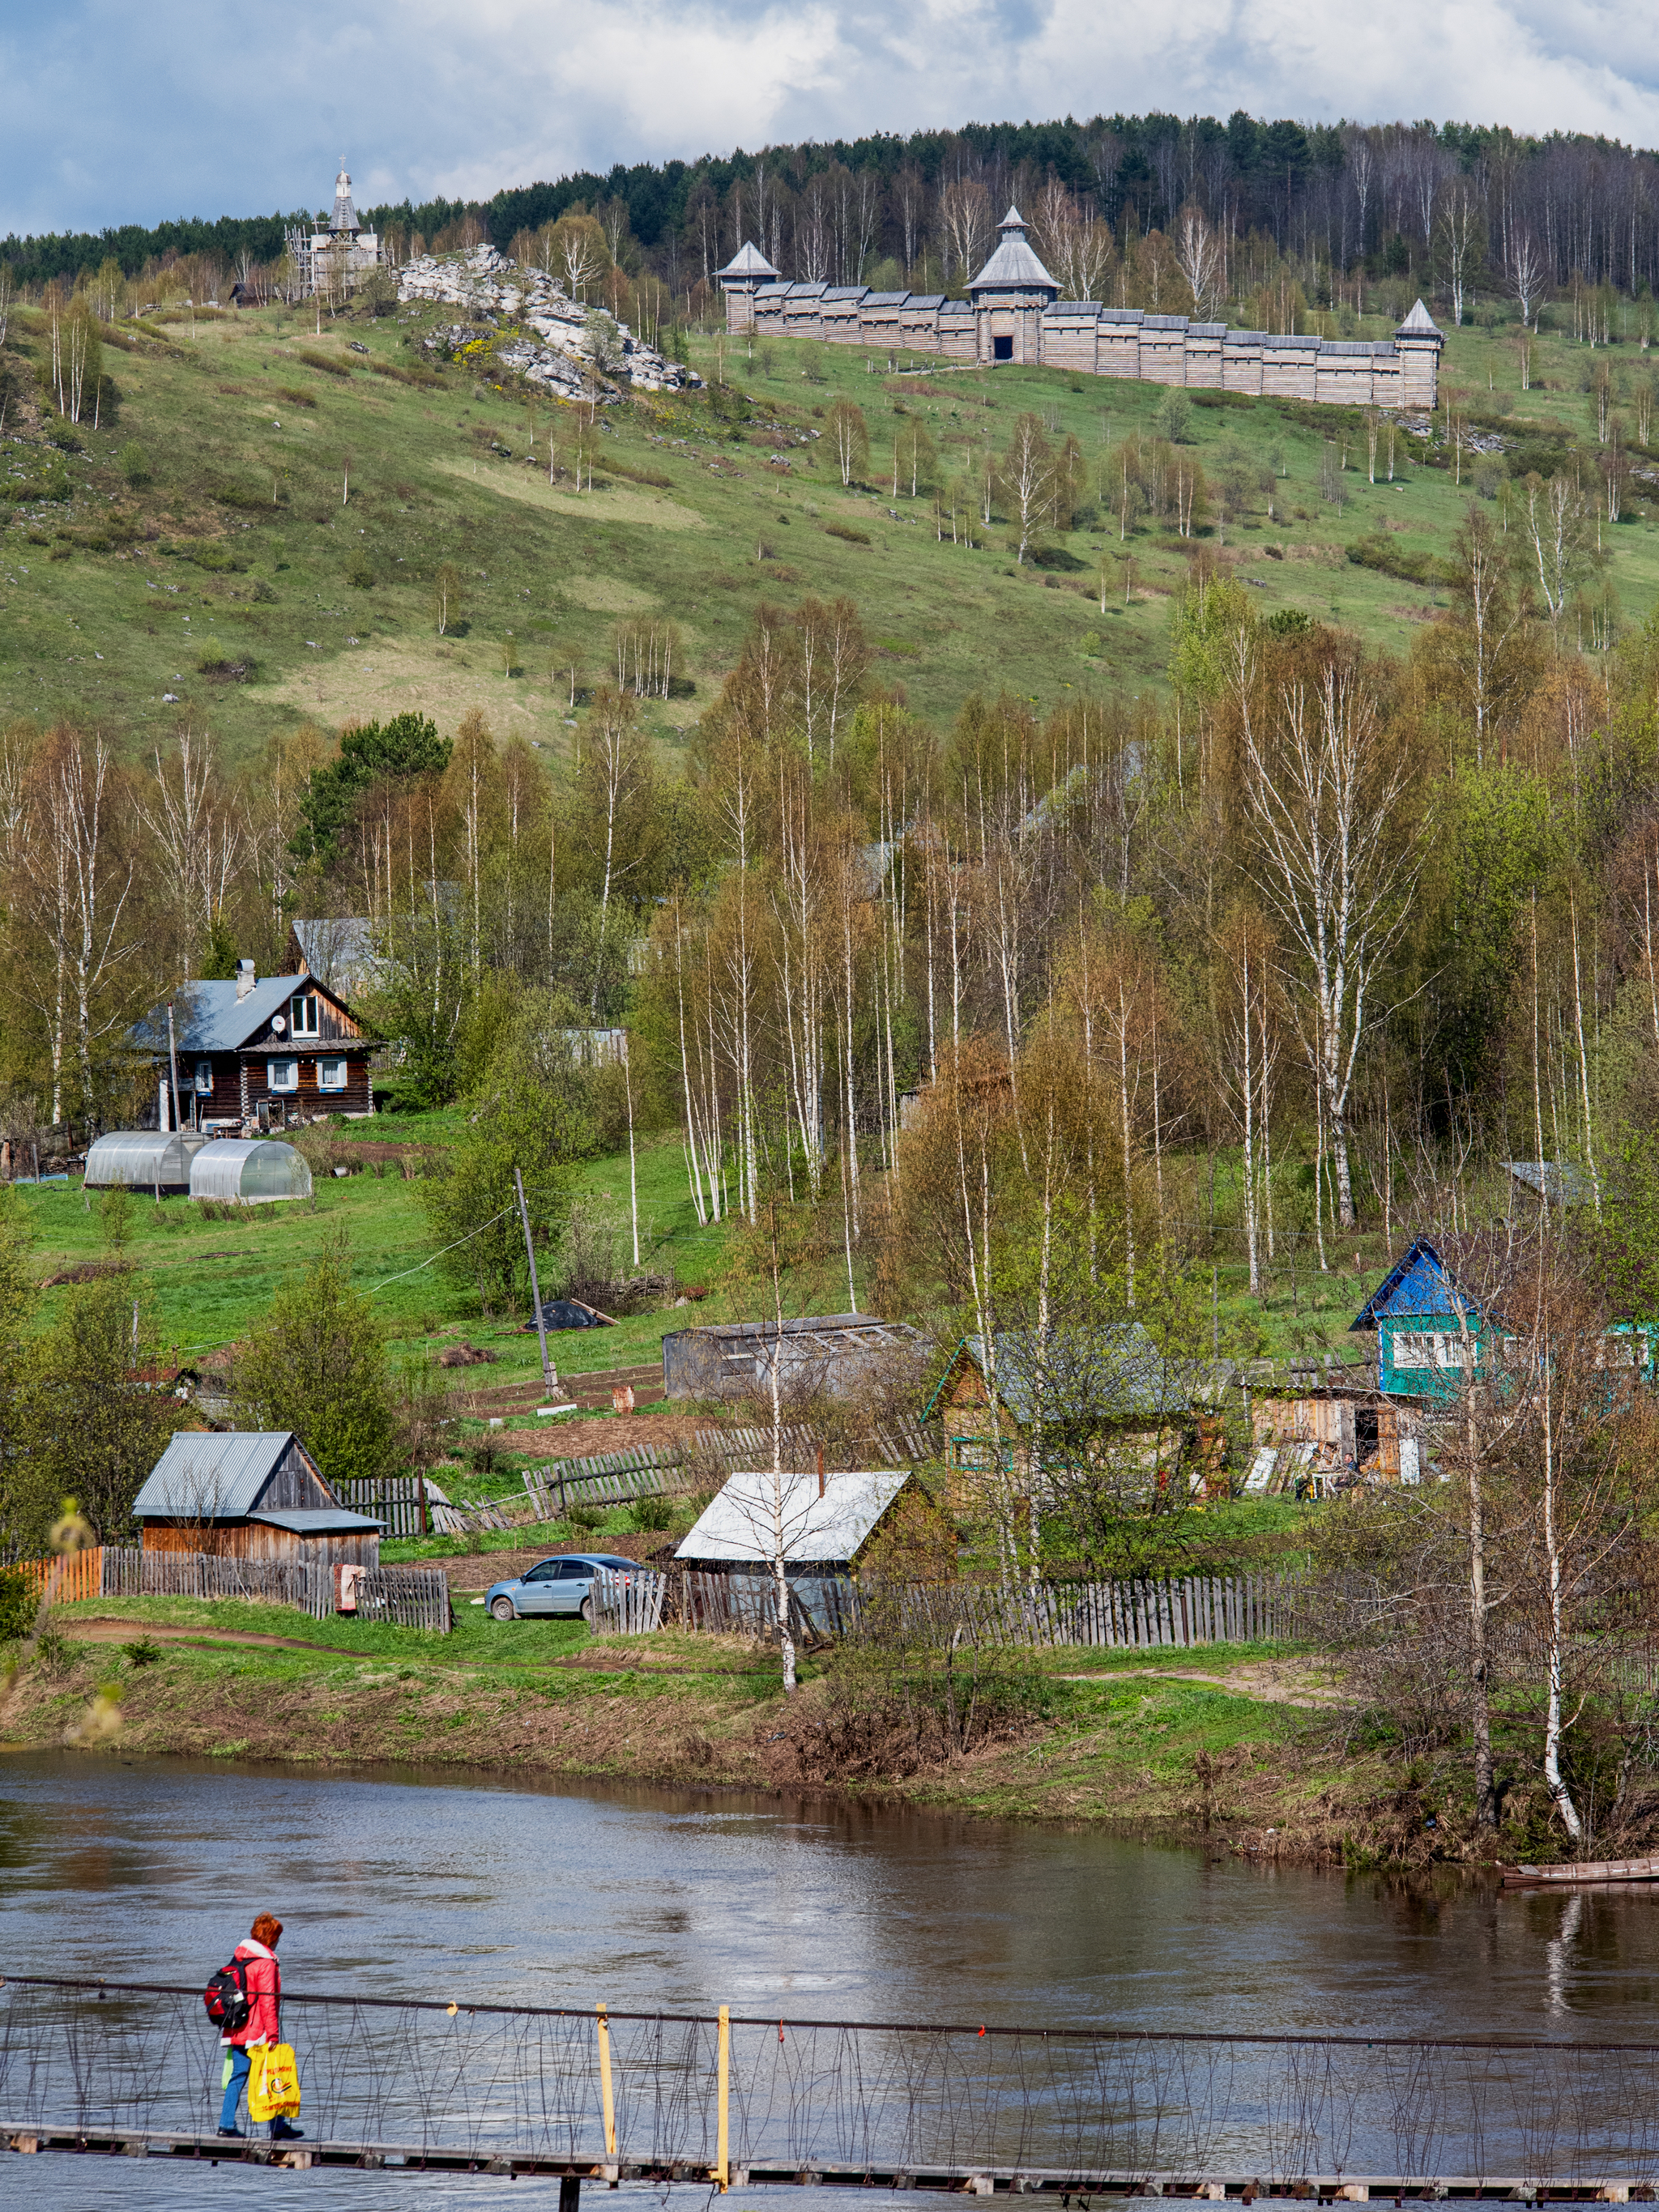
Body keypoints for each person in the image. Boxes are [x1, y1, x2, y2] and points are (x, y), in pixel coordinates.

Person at [217, 1912, 304, 2142]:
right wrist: (273, 2034)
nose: (278, 1941)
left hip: (237, 2027)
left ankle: (226, 2124)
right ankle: (277, 2127)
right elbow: (267, 2001)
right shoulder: (266, 1963)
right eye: (276, 1937)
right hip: (257, 2032)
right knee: (272, 2075)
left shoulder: (240, 1957)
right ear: (270, 1938)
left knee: (239, 2075)